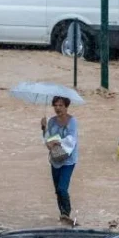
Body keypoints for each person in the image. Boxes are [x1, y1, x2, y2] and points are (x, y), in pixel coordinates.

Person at [40, 96, 78, 224]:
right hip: (55, 159)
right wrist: (44, 128)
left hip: (68, 160)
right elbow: (47, 139)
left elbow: (72, 140)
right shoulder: (51, 121)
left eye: (61, 105)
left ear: (66, 107)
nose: (58, 108)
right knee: (57, 190)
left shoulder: (72, 122)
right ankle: (62, 215)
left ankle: (66, 213)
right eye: (55, 105)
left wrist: (59, 141)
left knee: (62, 188)